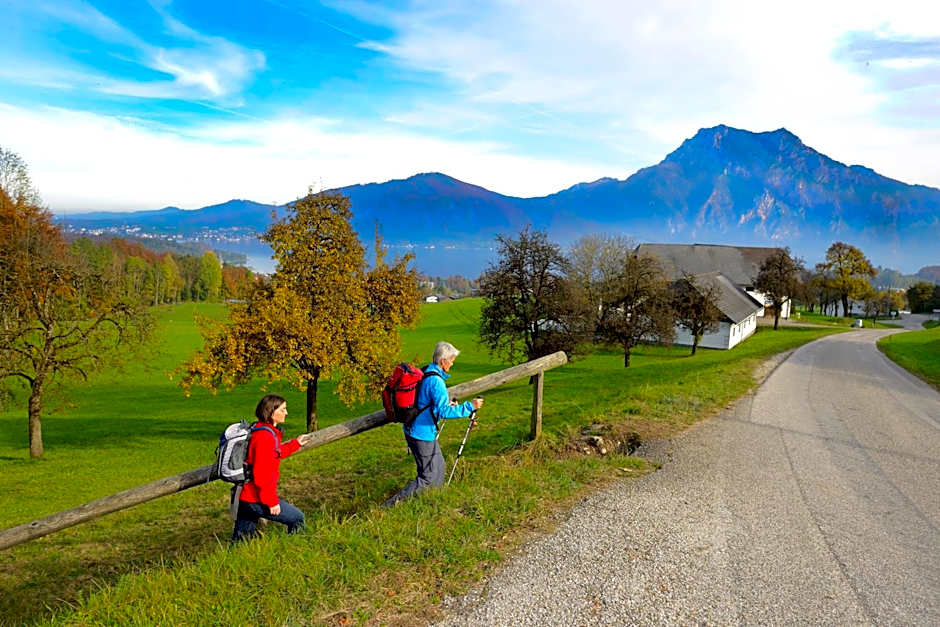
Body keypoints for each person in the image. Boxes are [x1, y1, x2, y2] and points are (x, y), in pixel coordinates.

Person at [384, 341, 483, 506]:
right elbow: (443, 412)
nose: (452, 363)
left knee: (439, 468)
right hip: (421, 433)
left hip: (418, 430)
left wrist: (447, 405)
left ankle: (431, 502)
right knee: (428, 477)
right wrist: (470, 406)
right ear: (443, 361)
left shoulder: (427, 371)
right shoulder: (436, 381)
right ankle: (390, 507)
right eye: (451, 360)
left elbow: (430, 403)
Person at [232, 394, 312, 542]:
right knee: (297, 518)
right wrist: (271, 501)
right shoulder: (265, 437)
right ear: (271, 412)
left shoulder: (260, 429)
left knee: (241, 542)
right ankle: (294, 549)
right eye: (282, 409)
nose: (286, 413)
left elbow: (274, 453)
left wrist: (295, 443)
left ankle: (229, 563)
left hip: (244, 496)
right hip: (255, 498)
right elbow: (261, 473)